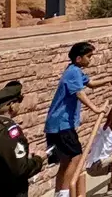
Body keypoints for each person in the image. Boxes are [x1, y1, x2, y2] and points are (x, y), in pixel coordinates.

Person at [45, 40, 106, 197]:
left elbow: (90, 83)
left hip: (59, 125)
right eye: (88, 56)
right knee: (75, 157)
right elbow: (80, 93)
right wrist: (96, 109)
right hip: (62, 125)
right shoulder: (73, 72)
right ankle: (65, 193)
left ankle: (59, 193)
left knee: (66, 161)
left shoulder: (75, 71)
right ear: (79, 58)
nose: (90, 59)